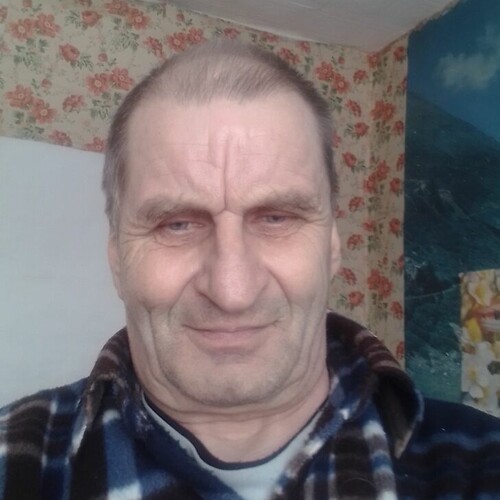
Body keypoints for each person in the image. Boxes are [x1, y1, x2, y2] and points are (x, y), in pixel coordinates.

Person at [1, 40, 499, 500]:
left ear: (331, 246)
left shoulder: (480, 463)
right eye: (177, 224)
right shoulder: (16, 460)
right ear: (117, 258)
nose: (232, 290)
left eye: (277, 218)